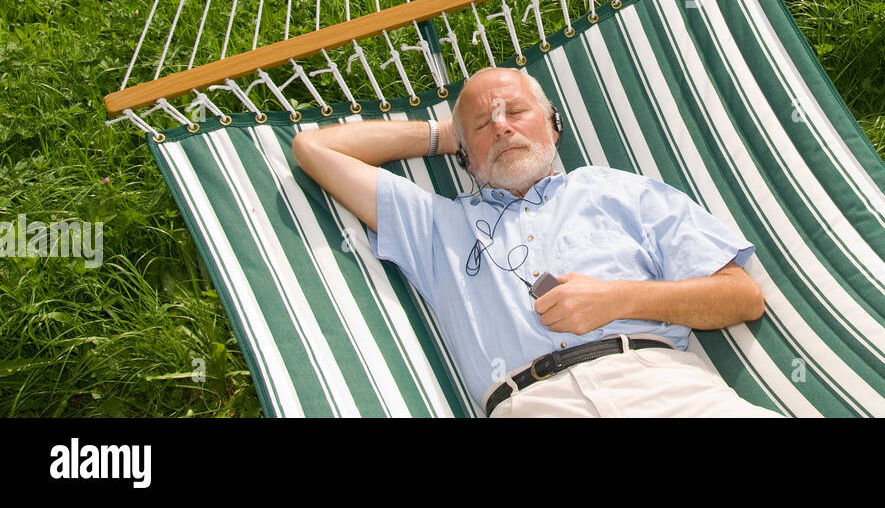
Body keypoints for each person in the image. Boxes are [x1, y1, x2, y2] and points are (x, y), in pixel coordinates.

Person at [291, 66, 781, 417]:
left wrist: (619, 299)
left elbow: (742, 297)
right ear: (464, 158)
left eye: (517, 113)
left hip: (667, 389)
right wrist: (447, 134)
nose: (502, 126)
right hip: (533, 405)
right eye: (484, 126)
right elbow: (313, 148)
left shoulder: (617, 190)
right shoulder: (436, 227)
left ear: (553, 125)